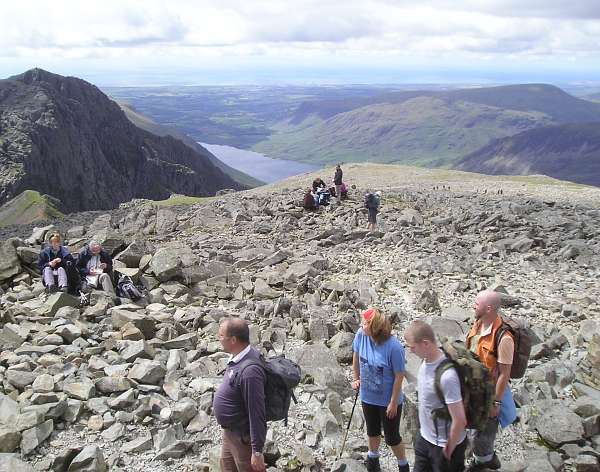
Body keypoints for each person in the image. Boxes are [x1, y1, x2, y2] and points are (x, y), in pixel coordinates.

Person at [351, 307, 409, 472]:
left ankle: (403, 465)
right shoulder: (361, 335)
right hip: (368, 396)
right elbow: (355, 354)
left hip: (388, 400)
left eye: (365, 323)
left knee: (391, 437)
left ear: (374, 327)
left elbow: (399, 375)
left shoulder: (394, 347)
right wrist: (355, 378)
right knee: (372, 430)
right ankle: (373, 459)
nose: (361, 326)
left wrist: (393, 402)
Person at [405, 321, 468, 472]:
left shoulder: (447, 376)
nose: (410, 351)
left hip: (444, 447)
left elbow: (460, 420)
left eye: (412, 347)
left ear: (425, 343)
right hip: (425, 439)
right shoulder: (425, 361)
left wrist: (449, 448)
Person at [465, 290, 516, 471]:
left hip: (489, 395)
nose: (473, 305)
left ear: (488, 308)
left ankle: (485, 462)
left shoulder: (504, 339)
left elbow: (504, 374)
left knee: (484, 435)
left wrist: (496, 402)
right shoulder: (477, 324)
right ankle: (481, 459)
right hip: (472, 390)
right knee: (471, 430)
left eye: (476, 303)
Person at [213, 317, 266, 472]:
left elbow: (257, 412)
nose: (219, 339)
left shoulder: (250, 372)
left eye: (221, 335)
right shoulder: (238, 356)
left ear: (234, 340)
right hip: (229, 433)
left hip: (242, 439)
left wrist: (257, 451)